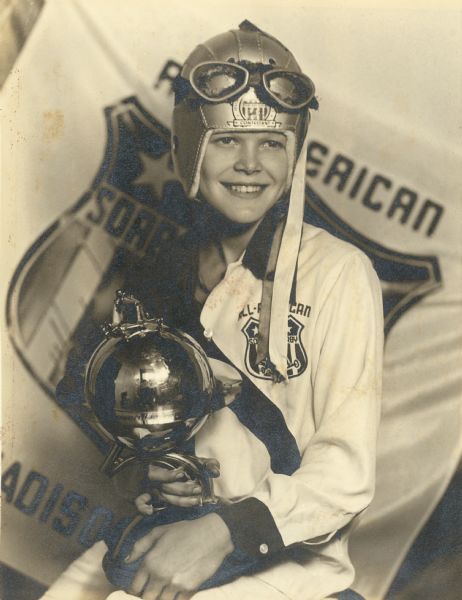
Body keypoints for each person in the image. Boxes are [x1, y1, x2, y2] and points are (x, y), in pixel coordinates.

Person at [42, 20, 383, 600]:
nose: (251, 163)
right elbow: (164, 440)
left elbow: (346, 472)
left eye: (272, 142)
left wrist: (225, 529)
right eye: (227, 140)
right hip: (175, 536)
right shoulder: (161, 276)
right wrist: (157, 479)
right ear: (189, 147)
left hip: (284, 569)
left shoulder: (338, 273)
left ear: (295, 154)